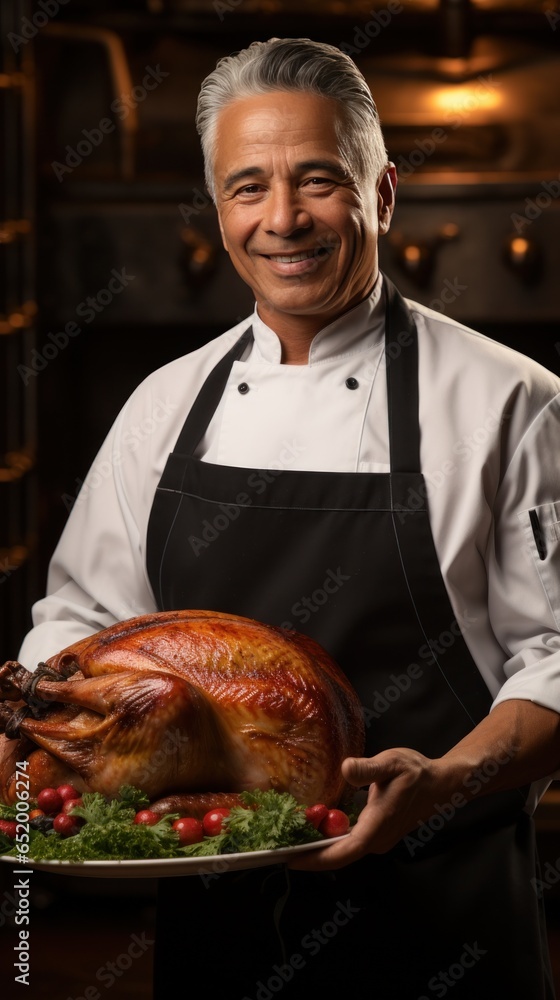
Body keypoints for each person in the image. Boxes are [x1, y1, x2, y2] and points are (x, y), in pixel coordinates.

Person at [11, 37, 560, 998]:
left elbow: (557, 657)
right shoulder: (164, 405)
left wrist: (442, 781)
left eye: (318, 180)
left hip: (442, 918)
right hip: (206, 903)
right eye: (247, 187)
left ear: (381, 194)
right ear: (217, 209)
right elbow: (83, 630)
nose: (283, 219)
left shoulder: (510, 402)